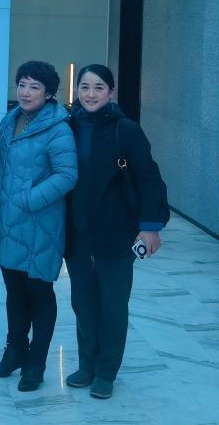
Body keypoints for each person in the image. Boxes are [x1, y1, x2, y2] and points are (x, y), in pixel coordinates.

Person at [0, 61, 77, 391]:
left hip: (39, 224)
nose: (26, 92)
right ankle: (14, 351)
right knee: (14, 290)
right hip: (9, 224)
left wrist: (29, 199)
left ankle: (36, 363)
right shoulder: (10, 119)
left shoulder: (58, 127)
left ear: (49, 93)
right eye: (22, 84)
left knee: (40, 292)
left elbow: (67, 175)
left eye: (34, 86)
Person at [64, 64, 167, 400]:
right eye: (84, 87)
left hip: (116, 234)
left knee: (113, 304)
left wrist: (150, 227)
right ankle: (87, 365)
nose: (90, 94)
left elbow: (149, 179)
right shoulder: (68, 126)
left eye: (98, 87)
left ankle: (106, 372)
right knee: (83, 303)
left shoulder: (126, 130)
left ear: (111, 92)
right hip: (77, 234)